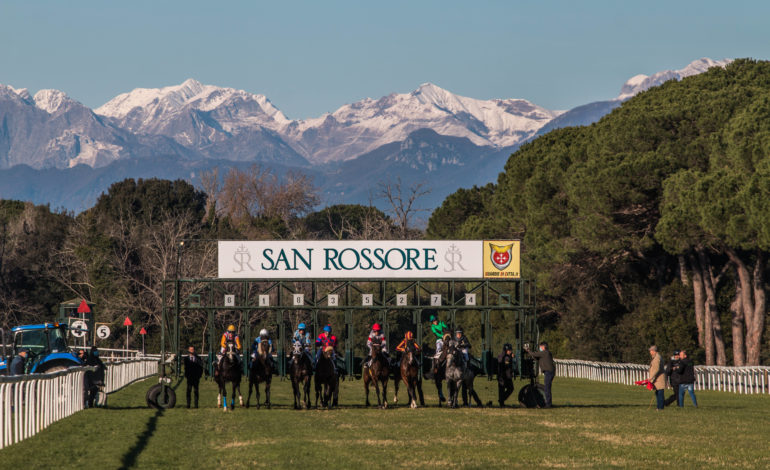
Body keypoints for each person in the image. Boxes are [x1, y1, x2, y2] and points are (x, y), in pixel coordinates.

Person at [526, 341, 555, 408]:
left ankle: (548, 404)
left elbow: (535, 354)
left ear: (543, 347)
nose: (539, 348)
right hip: (549, 372)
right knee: (547, 388)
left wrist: (528, 350)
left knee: (547, 388)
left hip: (548, 372)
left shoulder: (545, 352)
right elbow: (536, 357)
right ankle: (549, 403)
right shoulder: (546, 353)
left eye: (540, 347)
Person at [648, 345, 666, 410]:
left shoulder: (657, 358)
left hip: (658, 378)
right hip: (657, 378)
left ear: (653, 351)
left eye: (650, 350)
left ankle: (660, 407)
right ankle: (659, 407)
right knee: (658, 393)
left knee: (660, 393)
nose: (650, 352)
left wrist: (651, 377)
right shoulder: (656, 357)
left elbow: (656, 369)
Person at [497, 343, 515, 407]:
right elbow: (506, 364)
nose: (510, 351)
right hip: (503, 376)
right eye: (509, 350)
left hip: (507, 376)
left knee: (510, 388)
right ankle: (501, 402)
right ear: (506, 350)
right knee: (502, 389)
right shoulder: (503, 357)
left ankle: (501, 400)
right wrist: (511, 357)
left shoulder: (504, 356)